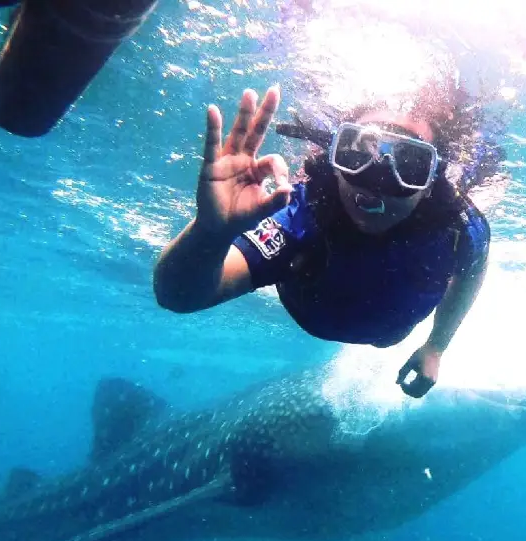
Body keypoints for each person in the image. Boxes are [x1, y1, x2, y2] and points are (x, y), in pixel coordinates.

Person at [153, 84, 494, 398]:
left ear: (434, 179)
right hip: (309, 314)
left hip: (387, 333)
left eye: (410, 163)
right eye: (358, 154)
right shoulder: (303, 214)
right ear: (334, 159)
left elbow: (473, 273)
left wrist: (436, 347)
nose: (377, 181)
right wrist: (211, 233)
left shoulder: (460, 228)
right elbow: (177, 296)